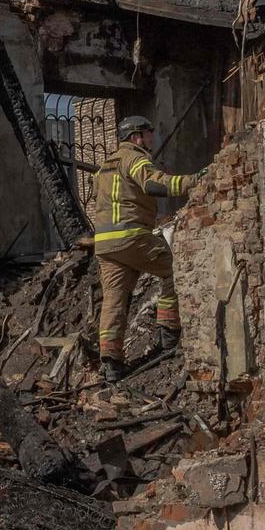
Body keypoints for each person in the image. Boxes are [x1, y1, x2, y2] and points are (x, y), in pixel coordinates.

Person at [93, 116, 204, 383]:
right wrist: (194, 181)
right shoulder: (135, 159)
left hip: (105, 244)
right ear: (136, 137)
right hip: (131, 236)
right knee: (173, 269)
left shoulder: (104, 167)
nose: (152, 138)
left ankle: (111, 361)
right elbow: (154, 184)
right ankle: (168, 333)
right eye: (148, 133)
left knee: (114, 299)